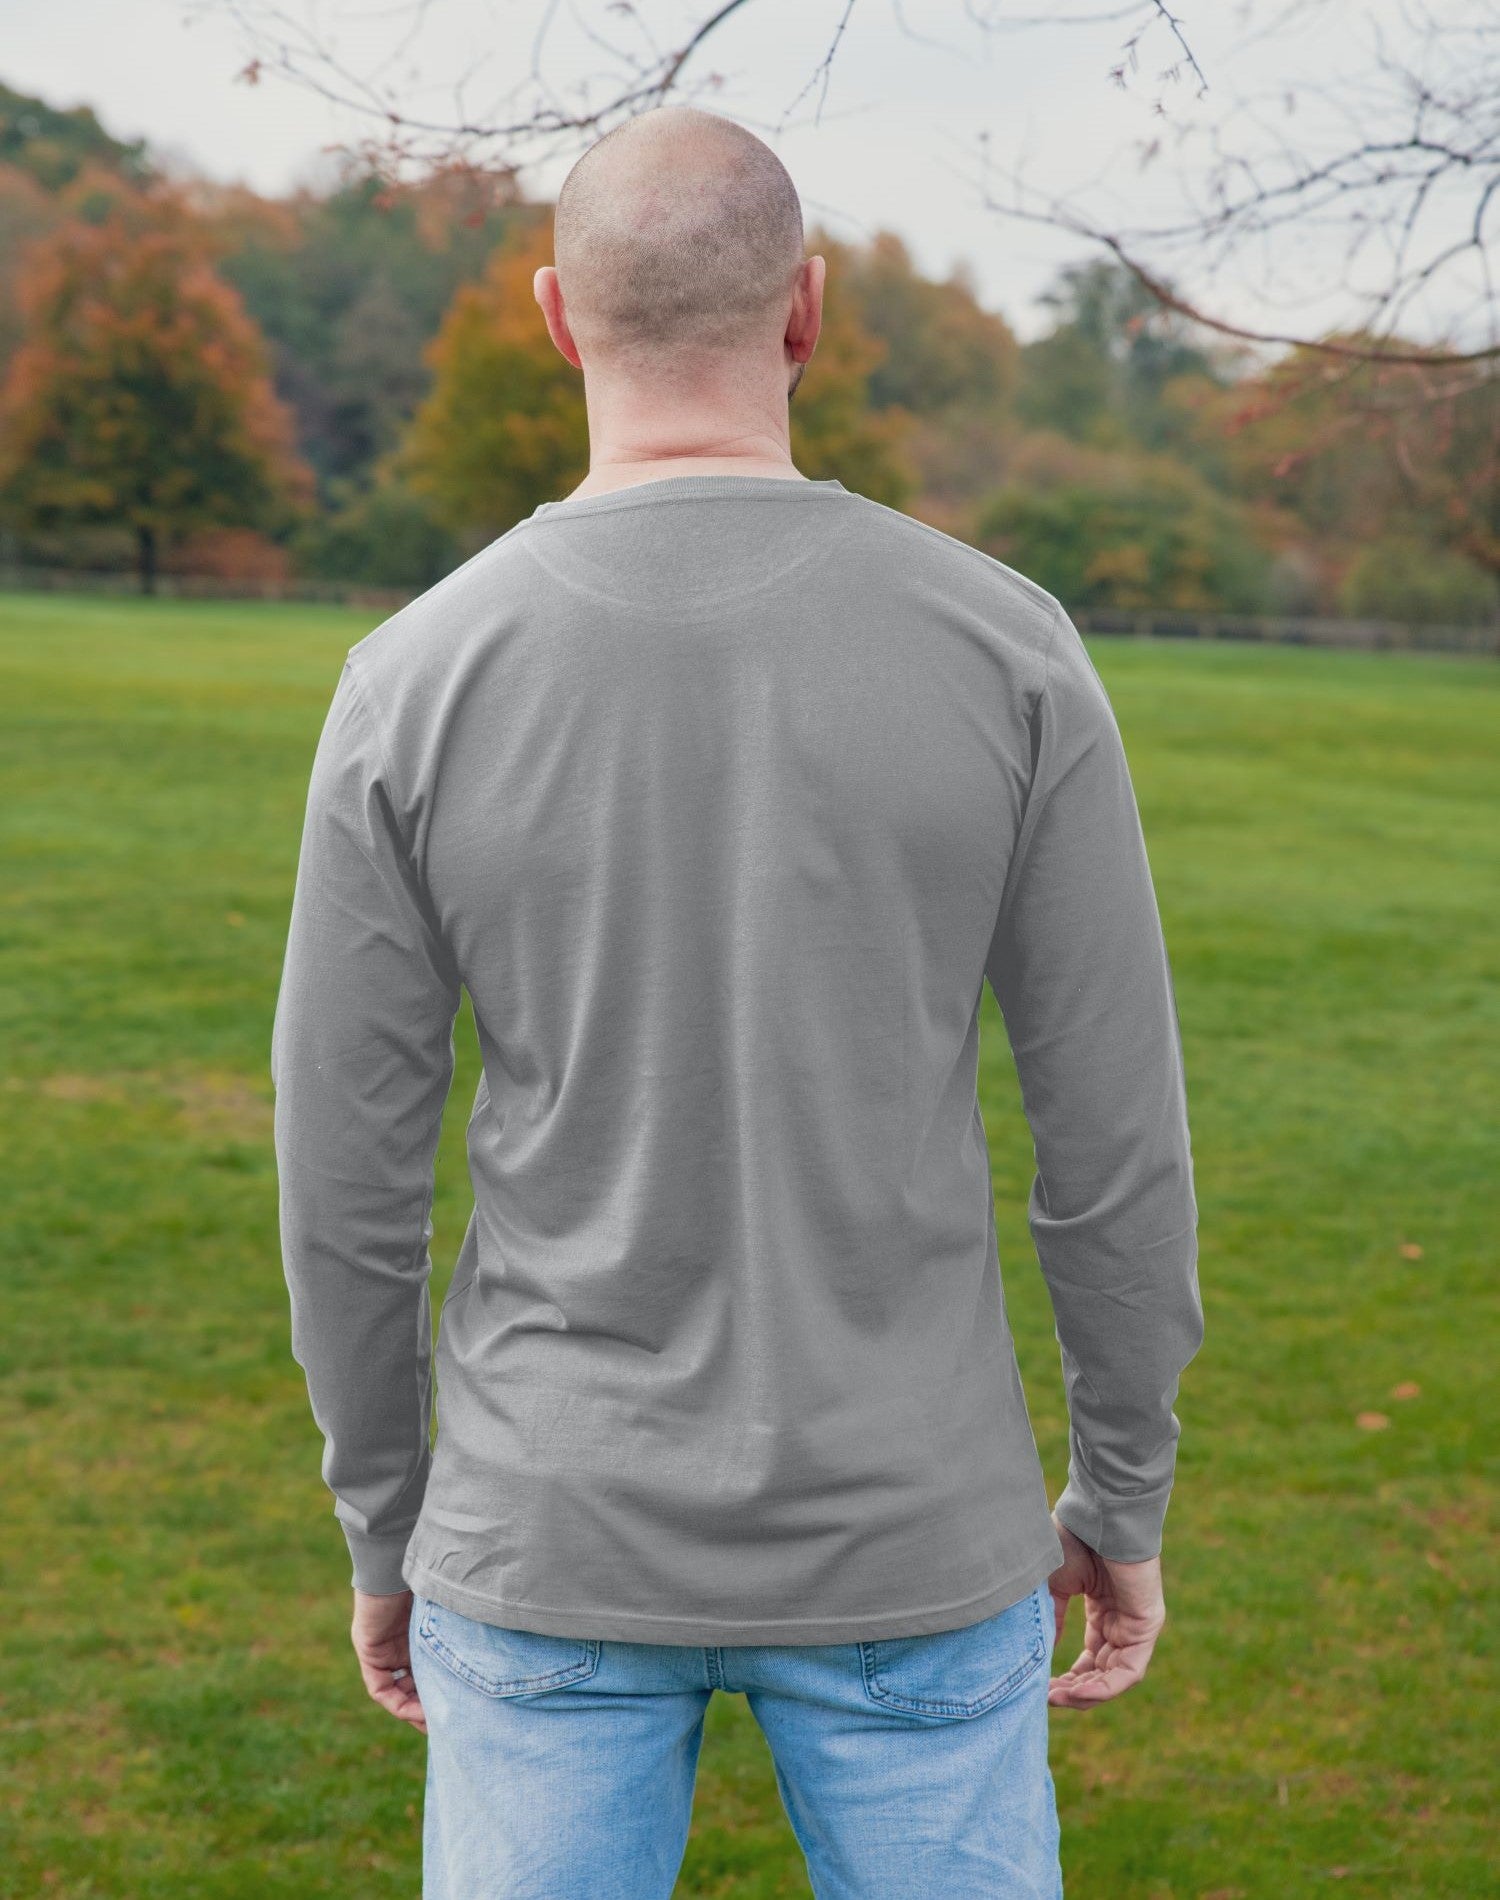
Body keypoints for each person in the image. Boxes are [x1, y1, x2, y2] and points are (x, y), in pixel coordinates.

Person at [270, 102, 1204, 1900]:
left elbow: (346, 1193)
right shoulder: (1010, 648)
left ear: (555, 317)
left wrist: (386, 1525)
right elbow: (1116, 1147)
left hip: (545, 1541)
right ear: (809, 314)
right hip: (916, 1545)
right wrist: (1124, 1496)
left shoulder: (411, 680)